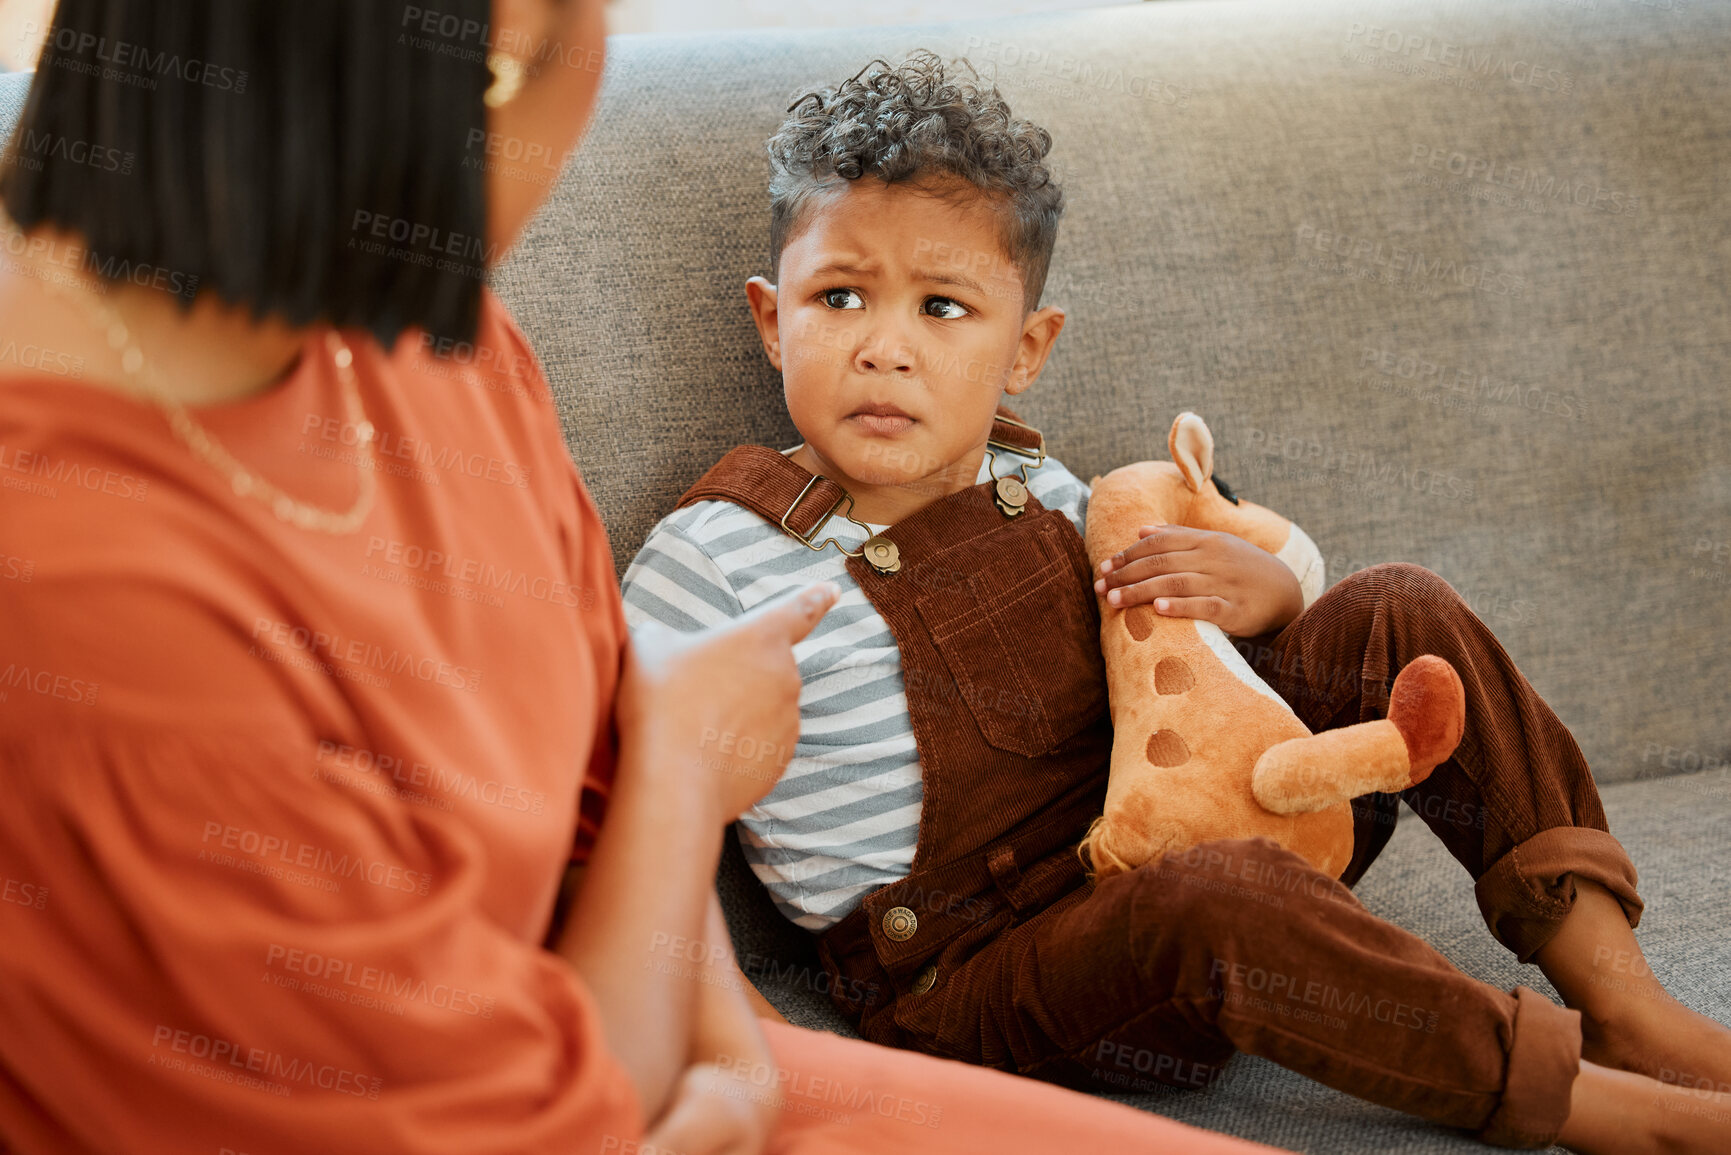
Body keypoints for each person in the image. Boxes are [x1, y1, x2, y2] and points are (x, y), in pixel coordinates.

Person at [0, 4, 1283, 1154]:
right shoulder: (100, 627)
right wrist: (683, 770)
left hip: (655, 1054)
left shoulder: (424, 333)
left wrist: (726, 1049)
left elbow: (599, 804)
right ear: (495, 54)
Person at [618, 51, 1731, 1153]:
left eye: (944, 307)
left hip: (1185, 826)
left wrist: (1274, 596)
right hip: (983, 975)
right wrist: (748, 1036)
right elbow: (616, 815)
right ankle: (1582, 1102)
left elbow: (1190, 667)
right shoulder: (715, 554)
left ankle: (1625, 1003)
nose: (885, 348)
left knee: (1398, 609)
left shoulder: (1052, 494)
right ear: (773, 321)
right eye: (840, 296)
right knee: (1218, 894)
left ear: (1026, 350)